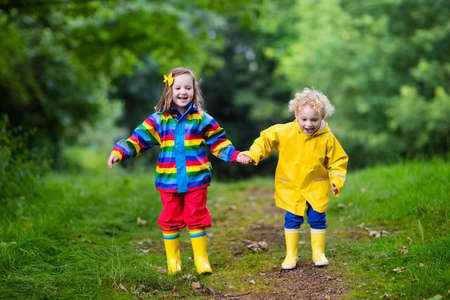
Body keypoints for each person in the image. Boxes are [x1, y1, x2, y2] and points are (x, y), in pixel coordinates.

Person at [107, 67, 251, 275]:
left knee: (196, 216)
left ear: (194, 91)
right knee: (170, 218)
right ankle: (173, 262)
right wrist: (120, 152)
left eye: (188, 88)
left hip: (196, 178)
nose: (183, 92)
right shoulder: (159, 119)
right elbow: (138, 139)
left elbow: (219, 142)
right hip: (169, 180)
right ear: (169, 91)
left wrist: (236, 155)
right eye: (178, 88)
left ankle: (201, 259)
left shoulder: (202, 119)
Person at [241, 88, 348, 268]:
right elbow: (265, 140)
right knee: (292, 218)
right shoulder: (284, 132)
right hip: (292, 186)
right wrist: (254, 154)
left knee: (317, 218)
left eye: (314, 119)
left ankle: (318, 252)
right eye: (304, 119)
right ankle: (291, 255)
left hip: (316, 186)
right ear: (296, 114)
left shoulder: (328, 139)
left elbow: (338, 161)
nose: (309, 124)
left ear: (323, 117)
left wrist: (336, 181)